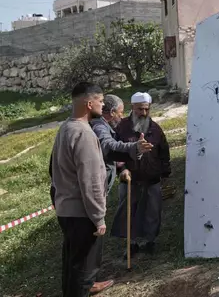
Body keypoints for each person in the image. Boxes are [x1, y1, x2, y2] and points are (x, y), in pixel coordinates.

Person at [50, 82, 114, 296]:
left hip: (66, 211)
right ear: (89, 103)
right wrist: (98, 217)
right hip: (82, 214)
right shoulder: (85, 134)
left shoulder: (65, 128)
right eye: (101, 100)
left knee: (72, 265)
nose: (103, 105)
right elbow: (91, 181)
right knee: (84, 271)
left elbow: (53, 169)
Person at [111, 92, 171, 258]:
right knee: (130, 212)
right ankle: (132, 243)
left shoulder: (155, 129)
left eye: (146, 109)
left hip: (151, 178)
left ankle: (150, 241)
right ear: (132, 108)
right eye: (139, 109)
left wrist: (165, 173)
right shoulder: (121, 128)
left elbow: (164, 152)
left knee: (153, 210)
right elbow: (115, 151)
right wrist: (122, 169)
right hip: (130, 179)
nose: (143, 113)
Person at [90, 94, 153, 194]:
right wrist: (135, 148)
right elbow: (108, 146)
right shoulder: (98, 127)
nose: (122, 116)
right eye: (120, 113)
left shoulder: (105, 126)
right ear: (112, 112)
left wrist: (121, 168)